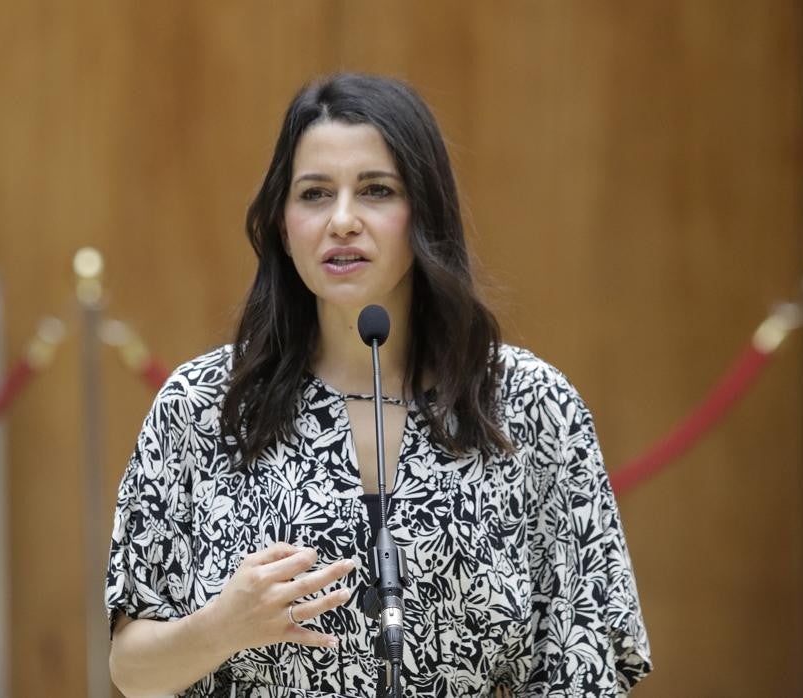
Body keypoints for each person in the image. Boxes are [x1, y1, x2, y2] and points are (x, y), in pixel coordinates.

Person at [105, 73, 652, 697]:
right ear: (283, 226)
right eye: (314, 194)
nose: (342, 221)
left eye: (375, 191)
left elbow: (587, 660)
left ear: (424, 214)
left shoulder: (530, 406)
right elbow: (131, 670)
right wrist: (222, 628)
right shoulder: (206, 406)